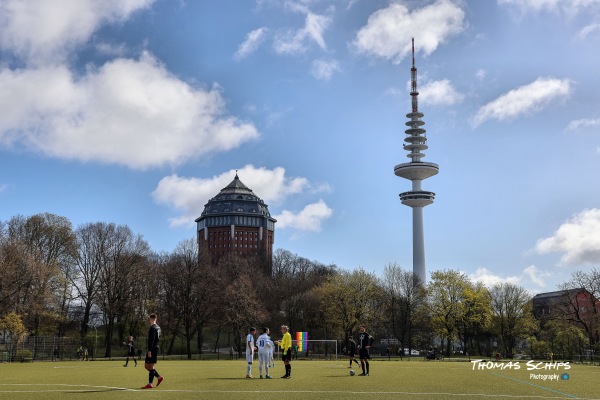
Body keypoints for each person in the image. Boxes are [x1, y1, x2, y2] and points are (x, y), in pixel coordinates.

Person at [142, 314, 164, 389]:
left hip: (153, 349)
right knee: (147, 366)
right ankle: (159, 377)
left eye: (149, 319)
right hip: (156, 348)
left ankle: (150, 383)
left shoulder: (152, 328)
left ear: (151, 319)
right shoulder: (158, 327)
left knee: (150, 366)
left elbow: (152, 340)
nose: (149, 320)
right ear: (156, 319)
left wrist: (149, 350)